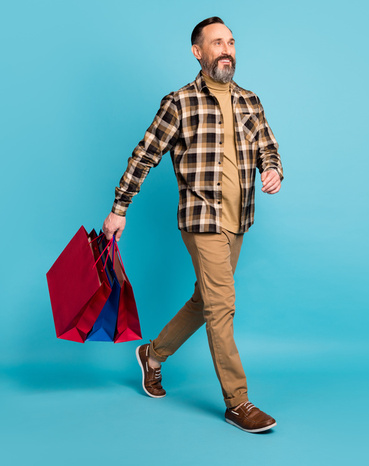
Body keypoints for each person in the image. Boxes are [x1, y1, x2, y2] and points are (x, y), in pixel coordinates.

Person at [102, 16, 283, 433]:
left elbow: (268, 147)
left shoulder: (249, 100)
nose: (227, 49)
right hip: (202, 220)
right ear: (197, 52)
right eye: (217, 42)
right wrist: (120, 207)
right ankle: (238, 402)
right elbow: (144, 154)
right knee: (222, 307)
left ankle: (152, 354)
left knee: (205, 301)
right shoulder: (179, 102)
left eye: (232, 42)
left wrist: (272, 169)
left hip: (240, 220)